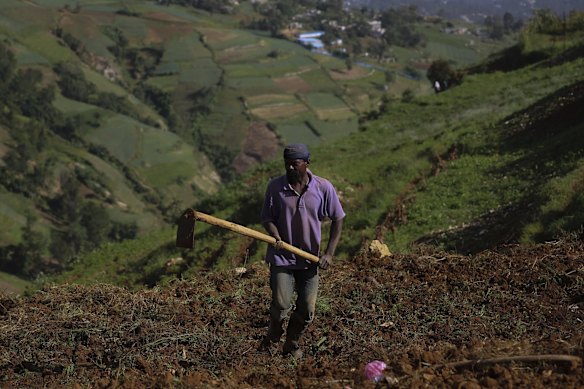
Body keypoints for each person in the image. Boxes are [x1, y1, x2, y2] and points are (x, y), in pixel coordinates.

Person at [259, 143, 345, 358]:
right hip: (282, 258)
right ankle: (274, 333)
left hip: (309, 261)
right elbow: (267, 218)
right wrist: (275, 234)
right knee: (280, 304)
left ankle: (292, 342)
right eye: (287, 164)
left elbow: (338, 218)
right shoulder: (275, 187)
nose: (290, 169)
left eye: (294, 164)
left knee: (307, 308)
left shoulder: (323, 187)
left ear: (306, 163)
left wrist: (329, 253)